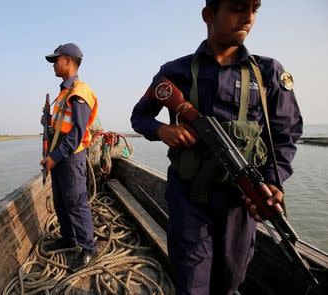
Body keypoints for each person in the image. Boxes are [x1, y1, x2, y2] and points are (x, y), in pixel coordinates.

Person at [131, 0, 302, 294]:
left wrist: (274, 181)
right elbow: (139, 116)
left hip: (240, 204)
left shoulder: (268, 73)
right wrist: (163, 130)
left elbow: (285, 134)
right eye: (237, 7)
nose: (248, 17)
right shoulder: (175, 71)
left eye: (255, 9)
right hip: (188, 198)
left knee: (230, 283)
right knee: (192, 284)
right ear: (208, 15)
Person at [41, 43, 98, 270]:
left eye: (56, 60)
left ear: (68, 61)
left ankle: (88, 248)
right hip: (59, 157)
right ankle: (68, 238)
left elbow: (76, 132)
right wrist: (48, 122)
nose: (54, 65)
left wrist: (54, 156)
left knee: (76, 202)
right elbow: (61, 127)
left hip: (70, 157)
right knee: (60, 200)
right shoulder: (63, 92)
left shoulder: (79, 92)